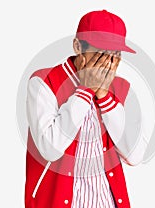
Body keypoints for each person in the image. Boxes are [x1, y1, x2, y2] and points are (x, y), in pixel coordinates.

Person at [24, 10, 147, 208]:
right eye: (101, 53)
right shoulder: (43, 82)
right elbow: (50, 148)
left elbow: (135, 155)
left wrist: (105, 97)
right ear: (78, 46)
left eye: (115, 54)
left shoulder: (123, 89)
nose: (108, 62)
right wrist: (84, 90)